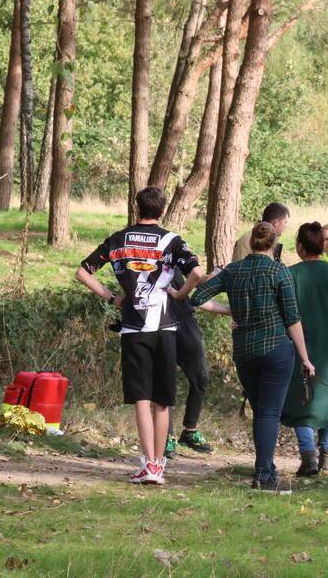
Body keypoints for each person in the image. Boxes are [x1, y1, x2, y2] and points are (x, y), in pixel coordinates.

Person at [75, 187, 204, 485]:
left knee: (142, 400)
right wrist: (180, 294)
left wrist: (111, 297)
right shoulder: (172, 241)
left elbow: (83, 272)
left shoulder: (118, 239)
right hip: (166, 328)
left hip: (134, 328)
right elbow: (196, 273)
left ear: (137, 208)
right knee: (163, 400)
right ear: (162, 210)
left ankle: (148, 466)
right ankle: (159, 465)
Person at [188, 222, 315, 493]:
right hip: (276, 349)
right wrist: (305, 357)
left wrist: (228, 311)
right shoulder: (278, 271)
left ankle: (266, 469)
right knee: (269, 413)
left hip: (245, 351)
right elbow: (292, 318)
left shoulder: (233, 271)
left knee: (261, 412)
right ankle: (264, 476)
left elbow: (196, 297)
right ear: (273, 244)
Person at [282, 222, 328, 476]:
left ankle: (308, 456)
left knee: (301, 400)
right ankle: (326, 456)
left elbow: (283, 315)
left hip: (298, 345)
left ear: (300, 247)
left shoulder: (290, 275)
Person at [162, 267, 224, 460]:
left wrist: (229, 309)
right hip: (161, 322)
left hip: (186, 321)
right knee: (165, 383)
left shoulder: (176, 251)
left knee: (201, 378)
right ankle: (166, 437)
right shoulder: (147, 253)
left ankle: (189, 431)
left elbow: (194, 283)